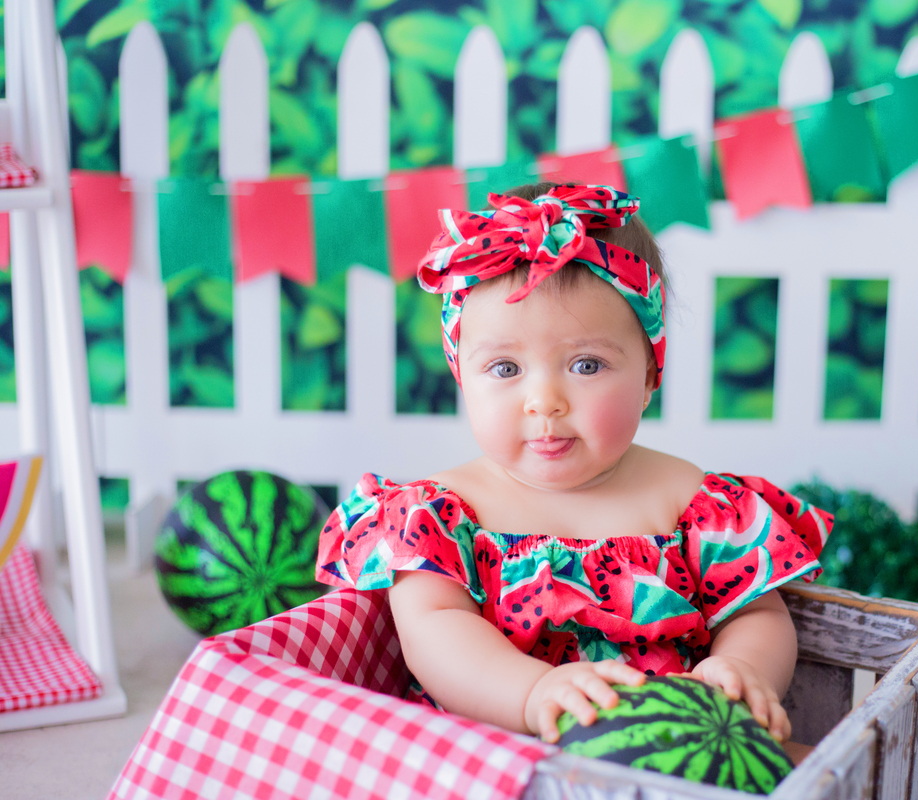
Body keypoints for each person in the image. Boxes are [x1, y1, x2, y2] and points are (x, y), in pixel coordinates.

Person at [316, 183, 832, 759]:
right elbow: (434, 634)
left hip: (670, 764)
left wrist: (737, 667)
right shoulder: (440, 514)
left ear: (650, 374)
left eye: (586, 364)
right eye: (505, 367)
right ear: (463, 375)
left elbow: (758, 612)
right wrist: (533, 690)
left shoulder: (693, 503)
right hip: (503, 768)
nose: (545, 401)